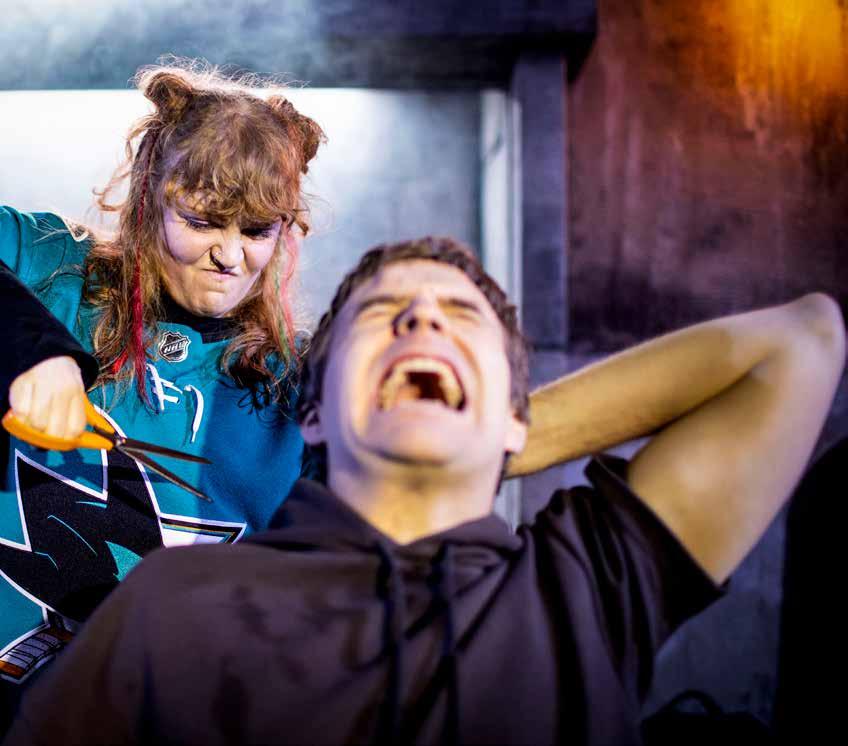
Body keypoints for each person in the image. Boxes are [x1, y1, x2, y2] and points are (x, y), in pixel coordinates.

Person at [5, 237, 843, 745]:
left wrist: (479, 438)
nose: (422, 320)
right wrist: (458, 425)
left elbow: (802, 343)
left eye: (459, 317)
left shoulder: (577, 591)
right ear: (312, 414)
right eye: (385, 316)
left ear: (517, 415)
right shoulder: (172, 605)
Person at [0, 60, 325, 718]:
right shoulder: (49, 269)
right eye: (203, 221)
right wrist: (33, 346)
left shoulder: (304, 388)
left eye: (256, 231)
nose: (230, 256)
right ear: (149, 198)